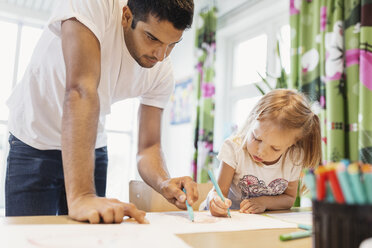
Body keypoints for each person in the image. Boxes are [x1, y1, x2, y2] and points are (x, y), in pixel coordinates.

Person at [5, 0, 198, 224]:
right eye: (152, 38)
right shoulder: (94, 4)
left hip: (91, 146)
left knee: (88, 239)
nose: (161, 55)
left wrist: (164, 183)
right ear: (126, 17)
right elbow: (81, 89)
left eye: (173, 44)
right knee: (31, 236)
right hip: (35, 139)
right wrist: (82, 196)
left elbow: (149, 147)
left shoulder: (162, 71)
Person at [206, 89, 321, 216]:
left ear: (292, 144)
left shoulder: (294, 157)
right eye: (256, 138)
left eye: (275, 148)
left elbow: (289, 199)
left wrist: (264, 202)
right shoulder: (234, 148)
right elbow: (218, 192)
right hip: (229, 218)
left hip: (263, 222)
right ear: (252, 120)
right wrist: (214, 200)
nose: (260, 152)